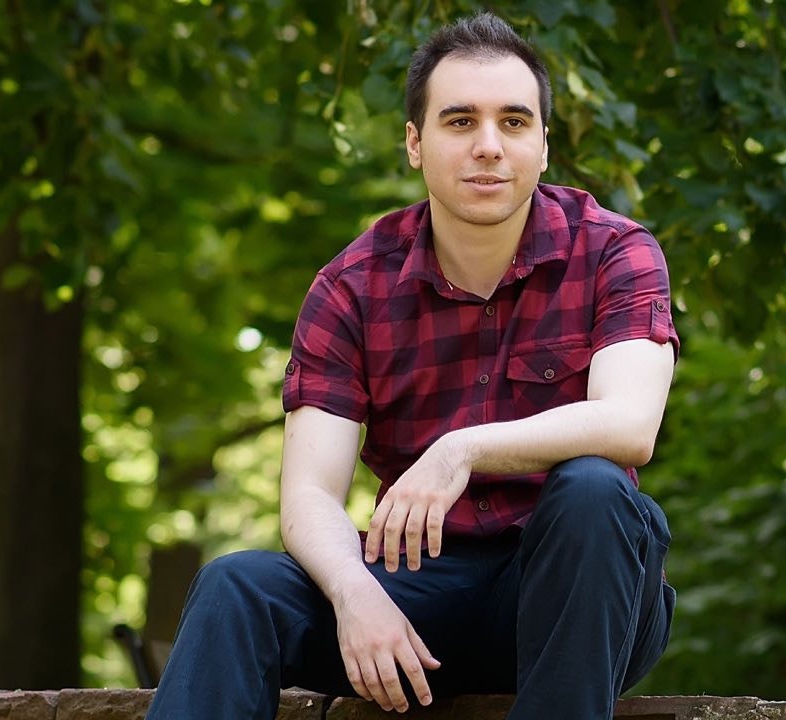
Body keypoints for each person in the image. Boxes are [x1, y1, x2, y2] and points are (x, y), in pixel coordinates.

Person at [146, 11, 677, 720]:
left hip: (581, 597)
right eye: (460, 122)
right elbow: (309, 493)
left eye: (514, 123)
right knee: (235, 587)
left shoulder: (616, 251)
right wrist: (354, 594)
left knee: (593, 489)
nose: (489, 146)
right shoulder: (351, 285)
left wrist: (464, 448)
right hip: (413, 599)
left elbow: (631, 424)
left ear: (544, 146)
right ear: (415, 144)